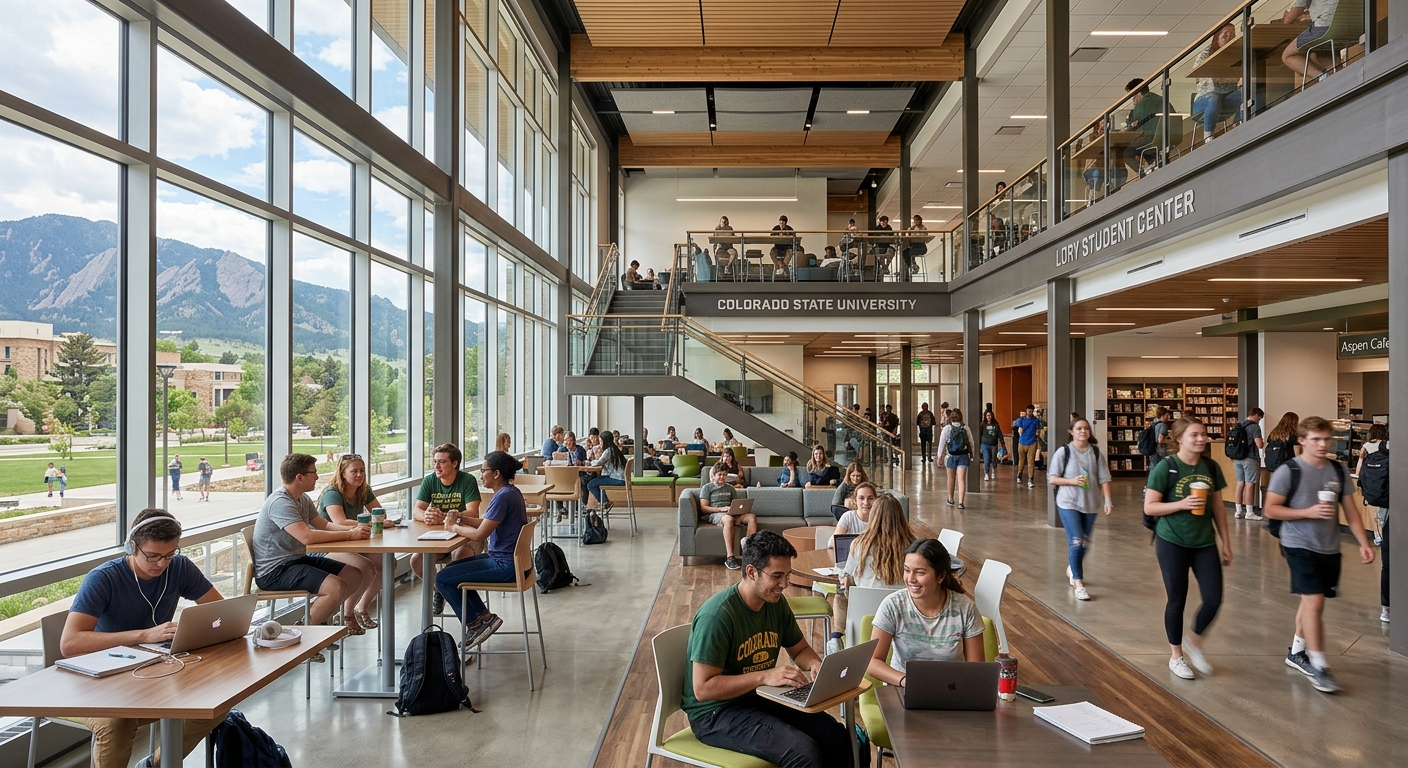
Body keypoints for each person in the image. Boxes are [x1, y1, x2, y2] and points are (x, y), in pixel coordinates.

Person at [62, 509, 227, 768]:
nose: (161, 564)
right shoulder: (103, 578)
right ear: (132, 547)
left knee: (213, 704)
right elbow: (70, 644)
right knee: (117, 723)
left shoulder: (180, 567)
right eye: (152, 556)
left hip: (148, 674)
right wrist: (143, 635)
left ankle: (156, 765)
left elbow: (220, 611)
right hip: (99, 683)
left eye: (169, 554)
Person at [681, 531, 851, 767]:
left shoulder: (776, 604)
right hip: (714, 714)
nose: (785, 584)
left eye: (787, 575)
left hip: (756, 697)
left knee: (838, 737)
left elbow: (799, 649)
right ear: (751, 572)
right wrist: (764, 676)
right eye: (777, 576)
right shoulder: (717, 616)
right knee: (804, 753)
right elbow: (703, 689)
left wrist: (815, 664)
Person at [1264, 415, 1375, 694]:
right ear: (1302, 441)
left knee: (1311, 601)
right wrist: (1307, 512)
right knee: (1314, 602)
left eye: (1326, 439)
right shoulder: (1289, 471)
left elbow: (1350, 510)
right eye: (1316, 439)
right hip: (1297, 543)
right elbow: (1271, 509)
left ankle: (1297, 652)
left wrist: (1364, 542)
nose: (1323, 444)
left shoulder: (1337, 471)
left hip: (1328, 546)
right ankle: (1319, 664)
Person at [1143, 417, 1231, 681]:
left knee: (1213, 598)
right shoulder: (1166, 468)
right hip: (1172, 541)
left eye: (1203, 434)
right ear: (1179, 438)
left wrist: (1226, 542)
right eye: (1194, 435)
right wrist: (1181, 504)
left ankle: (1194, 641)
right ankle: (1176, 656)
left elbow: (1217, 508)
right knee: (1177, 599)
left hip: (1204, 542)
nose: (1201, 439)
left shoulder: (1211, 467)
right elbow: (1150, 507)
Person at [252, 454, 369, 636]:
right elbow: (306, 537)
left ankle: (311, 621)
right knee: (335, 587)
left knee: (354, 575)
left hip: (296, 560)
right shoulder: (281, 502)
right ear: (299, 477)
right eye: (313, 473)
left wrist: (355, 530)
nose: (317, 477)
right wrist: (349, 534)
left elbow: (325, 525)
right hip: (275, 571)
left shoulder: (302, 498)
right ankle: (308, 636)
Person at [434, 451, 530, 652]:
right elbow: (486, 522)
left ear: (496, 473)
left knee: (442, 578)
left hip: (505, 565)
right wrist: (460, 518)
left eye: (483, 470)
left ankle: (476, 623)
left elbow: (479, 535)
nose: (480, 475)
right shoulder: (510, 492)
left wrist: (453, 528)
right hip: (511, 561)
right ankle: (484, 617)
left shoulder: (503, 496)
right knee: (452, 569)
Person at [866, 539, 986, 688]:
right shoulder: (893, 605)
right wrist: (906, 680)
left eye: (920, 572)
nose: (910, 579)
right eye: (907, 570)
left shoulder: (965, 608)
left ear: (941, 576)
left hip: (949, 690)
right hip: (903, 688)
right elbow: (872, 661)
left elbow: (977, 669)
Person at [827, 493, 914, 654]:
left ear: (873, 516)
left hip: (866, 620)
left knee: (841, 594)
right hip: (904, 617)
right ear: (900, 516)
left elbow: (848, 578)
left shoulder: (860, 544)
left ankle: (837, 638)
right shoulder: (913, 546)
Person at [316, 453, 386, 633]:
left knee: (386, 563)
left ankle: (361, 608)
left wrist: (376, 519)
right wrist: (371, 522)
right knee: (367, 567)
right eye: (354, 471)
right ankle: (347, 615)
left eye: (362, 471)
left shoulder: (363, 489)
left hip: (352, 543)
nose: (359, 475)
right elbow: (339, 522)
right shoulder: (332, 493)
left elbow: (380, 513)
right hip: (327, 546)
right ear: (342, 473)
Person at [412, 443, 481, 615]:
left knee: (459, 557)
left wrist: (444, 517)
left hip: (466, 535)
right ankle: (440, 591)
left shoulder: (467, 480)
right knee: (417, 560)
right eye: (435, 461)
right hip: (439, 536)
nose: (436, 466)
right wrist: (426, 516)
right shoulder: (430, 480)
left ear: (455, 463)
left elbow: (473, 512)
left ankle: (468, 609)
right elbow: (417, 510)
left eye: (442, 462)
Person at [1049, 418, 1114, 601]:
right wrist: (1071, 481)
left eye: (1086, 428)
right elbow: (1052, 478)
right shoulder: (1064, 451)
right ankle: (1078, 581)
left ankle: (1073, 566)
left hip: (1090, 503)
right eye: (1079, 428)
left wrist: (1107, 500)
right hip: (1068, 502)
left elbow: (1104, 478)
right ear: (1071, 431)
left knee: (1085, 542)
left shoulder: (1095, 452)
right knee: (1077, 540)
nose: (1083, 431)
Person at [1358, 425, 1390, 622]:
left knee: (1387, 562)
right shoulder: (1391, 448)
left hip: (1376, 495)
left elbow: (1360, 468)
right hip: (1391, 498)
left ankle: (1386, 609)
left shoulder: (1367, 447)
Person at [698, 462, 756, 570]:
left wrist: (736, 510)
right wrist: (721, 509)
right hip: (714, 514)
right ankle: (730, 557)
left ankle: (748, 552)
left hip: (730, 513)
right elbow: (704, 508)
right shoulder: (707, 487)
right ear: (713, 476)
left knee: (751, 517)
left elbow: (735, 504)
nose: (722, 477)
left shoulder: (730, 488)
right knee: (728, 519)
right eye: (719, 475)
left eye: (724, 475)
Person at [1192, 24, 1243, 142]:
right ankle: (1208, 136)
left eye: (1232, 34)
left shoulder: (1236, 55)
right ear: (1217, 38)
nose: (1228, 37)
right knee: (1214, 97)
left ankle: (1238, 124)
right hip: (1205, 100)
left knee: (1246, 93)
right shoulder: (1206, 54)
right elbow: (1204, 78)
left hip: (1227, 98)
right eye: (1225, 35)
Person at [1282, 0, 1341, 81]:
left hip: (1325, 28)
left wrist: (1286, 18)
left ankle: (1324, 78)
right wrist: (1313, 15)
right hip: (1354, 25)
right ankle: (1329, 73)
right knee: (1311, 54)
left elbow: (1292, 15)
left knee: (1287, 56)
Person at [1123, 78, 1165, 181]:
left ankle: (1143, 172)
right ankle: (1153, 167)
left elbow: (1132, 125)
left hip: (1150, 136)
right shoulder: (1160, 99)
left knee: (1127, 153)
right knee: (1144, 148)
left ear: (1137, 93)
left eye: (1132, 96)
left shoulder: (1142, 104)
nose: (1132, 100)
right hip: (1167, 135)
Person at [1357, 423, 1390, 547]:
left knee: (1376, 514)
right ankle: (1385, 538)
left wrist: (1359, 478)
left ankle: (1378, 537)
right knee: (1385, 514)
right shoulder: (1387, 445)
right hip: (1385, 485)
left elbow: (1360, 463)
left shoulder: (1366, 445)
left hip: (1371, 486)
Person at [937, 408, 976, 509]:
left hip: (951, 456)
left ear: (951, 417)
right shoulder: (966, 428)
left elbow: (942, 443)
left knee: (951, 478)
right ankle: (961, 503)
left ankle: (950, 499)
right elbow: (971, 442)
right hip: (963, 456)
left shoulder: (947, 428)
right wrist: (973, 455)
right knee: (961, 479)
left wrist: (939, 457)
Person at [1232, 407, 1266, 520]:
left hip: (1238, 458)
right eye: (1259, 418)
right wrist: (1262, 441)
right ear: (1256, 415)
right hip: (1250, 458)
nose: (1259, 421)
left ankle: (1238, 510)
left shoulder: (1239, 424)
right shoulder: (1254, 427)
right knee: (1250, 484)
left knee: (1240, 483)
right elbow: (1259, 445)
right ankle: (1249, 512)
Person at [584, 431, 627, 512]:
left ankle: (605, 502)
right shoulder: (615, 449)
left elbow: (598, 462)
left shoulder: (608, 451)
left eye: (601, 441)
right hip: (620, 478)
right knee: (599, 480)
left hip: (617, 479)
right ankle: (605, 502)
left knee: (591, 485)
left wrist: (589, 462)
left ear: (605, 441)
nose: (600, 444)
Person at [1012, 404, 1042, 487]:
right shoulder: (1021, 420)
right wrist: (1018, 428)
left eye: (1031, 411)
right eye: (1029, 411)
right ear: (1026, 411)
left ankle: (1031, 478)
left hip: (1032, 442)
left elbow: (1038, 430)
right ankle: (1019, 474)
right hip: (1022, 442)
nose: (1030, 412)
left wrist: (1037, 434)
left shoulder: (1035, 421)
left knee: (1031, 461)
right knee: (1021, 460)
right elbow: (1014, 424)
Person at [978, 410, 1005, 481]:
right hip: (985, 444)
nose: (989, 417)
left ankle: (993, 471)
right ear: (985, 416)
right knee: (986, 459)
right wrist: (979, 444)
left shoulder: (995, 424)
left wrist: (1002, 444)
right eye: (987, 415)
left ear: (992, 416)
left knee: (993, 459)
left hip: (993, 444)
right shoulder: (983, 424)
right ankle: (986, 473)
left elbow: (999, 434)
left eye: (990, 415)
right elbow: (980, 434)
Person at [901, 214, 928, 279]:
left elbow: (924, 237)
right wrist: (910, 231)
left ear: (920, 221)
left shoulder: (923, 228)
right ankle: (912, 265)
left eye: (917, 220)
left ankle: (912, 266)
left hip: (921, 247)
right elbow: (907, 235)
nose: (915, 221)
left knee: (909, 252)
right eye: (914, 220)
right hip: (913, 246)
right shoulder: (911, 228)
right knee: (905, 252)